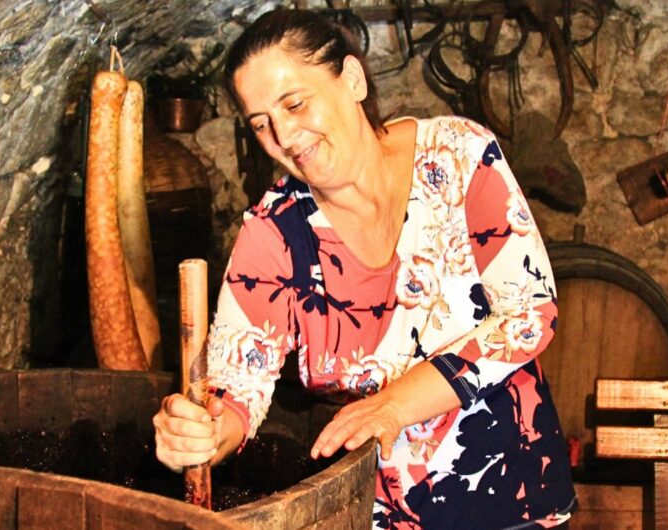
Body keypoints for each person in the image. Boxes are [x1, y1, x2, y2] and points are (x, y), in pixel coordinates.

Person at [153, 8, 576, 529]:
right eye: (261, 123)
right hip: (374, 513)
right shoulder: (274, 231)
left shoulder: (459, 156)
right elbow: (236, 389)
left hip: (512, 493)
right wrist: (203, 436)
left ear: (352, 79)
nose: (283, 136)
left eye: (295, 103)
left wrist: (394, 404)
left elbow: (530, 312)